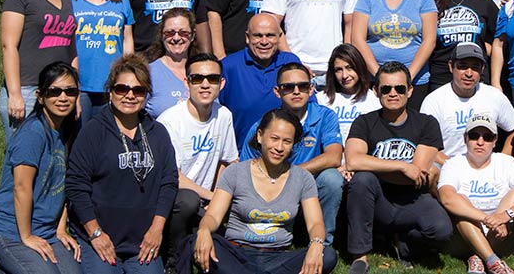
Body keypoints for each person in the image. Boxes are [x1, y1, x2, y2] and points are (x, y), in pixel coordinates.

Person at [187, 109, 338, 274]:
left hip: (277, 258)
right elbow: (213, 216)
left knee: (327, 255)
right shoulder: (235, 172)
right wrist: (204, 231)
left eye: (287, 141)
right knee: (195, 241)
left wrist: (316, 244)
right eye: (274, 139)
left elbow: (315, 223)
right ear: (260, 136)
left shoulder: (303, 178)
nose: (279, 147)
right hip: (236, 254)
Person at [66, 54, 178, 274]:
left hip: (142, 243)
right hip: (99, 239)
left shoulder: (158, 133)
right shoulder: (93, 132)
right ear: (110, 91)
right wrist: (95, 233)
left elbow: (168, 182)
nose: (129, 95)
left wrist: (157, 229)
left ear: (147, 94)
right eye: (121, 89)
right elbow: (76, 186)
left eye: (138, 90)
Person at [0, 62, 81, 274]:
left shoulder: (67, 129)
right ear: (40, 97)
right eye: (54, 92)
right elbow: (21, 187)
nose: (63, 98)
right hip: (11, 230)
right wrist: (27, 236)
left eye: (70, 91)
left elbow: (64, 184)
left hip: (46, 229)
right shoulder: (33, 134)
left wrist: (60, 228)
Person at [344, 62, 452, 274]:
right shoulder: (364, 122)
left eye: (400, 88)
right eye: (386, 89)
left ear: (410, 91)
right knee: (362, 180)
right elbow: (353, 161)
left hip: (413, 198)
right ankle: (360, 257)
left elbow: (417, 174)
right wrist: (401, 166)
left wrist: (377, 167)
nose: (393, 93)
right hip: (378, 199)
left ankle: (403, 241)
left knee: (442, 231)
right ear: (376, 91)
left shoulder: (426, 123)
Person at [238, 63, 345, 244]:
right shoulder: (261, 126)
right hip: (271, 190)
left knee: (332, 179)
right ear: (277, 92)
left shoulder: (326, 116)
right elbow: (244, 170)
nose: (296, 91)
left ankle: (321, 243)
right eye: (288, 87)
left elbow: (334, 157)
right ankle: (264, 236)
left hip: (308, 187)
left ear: (311, 89)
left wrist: (292, 175)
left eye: (302, 86)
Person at [154, 53, 238, 270]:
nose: (204, 85)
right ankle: (172, 257)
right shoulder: (170, 120)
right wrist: (213, 196)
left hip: (206, 198)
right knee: (188, 200)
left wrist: (218, 195)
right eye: (197, 78)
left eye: (212, 79)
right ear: (186, 82)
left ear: (222, 83)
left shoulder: (224, 115)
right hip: (174, 198)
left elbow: (227, 161)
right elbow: (173, 176)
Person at [0, 0, 77, 141]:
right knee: (22, 159)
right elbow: (9, 46)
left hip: (59, 91)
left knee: (55, 158)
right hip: (27, 90)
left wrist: (73, 91)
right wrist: (15, 94)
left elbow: (72, 51)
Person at [438, 114, 514, 274]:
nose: (480, 142)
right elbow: (447, 198)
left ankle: (477, 257)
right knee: (461, 204)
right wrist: (485, 219)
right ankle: (493, 261)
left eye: (488, 137)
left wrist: (504, 217)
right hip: (466, 233)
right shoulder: (453, 164)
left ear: (495, 140)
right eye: (474, 136)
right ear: (465, 138)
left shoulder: (506, 162)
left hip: (501, 234)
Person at [351, 0, 437, 109]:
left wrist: (408, 77)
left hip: (415, 81)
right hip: (375, 81)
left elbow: (429, 41)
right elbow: (357, 39)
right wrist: (379, 75)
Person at [66, 0, 134, 125]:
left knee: (108, 141)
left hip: (112, 85)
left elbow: (127, 41)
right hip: (79, 85)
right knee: (79, 143)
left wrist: (127, 78)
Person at [219, 14, 304, 147]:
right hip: (242, 153)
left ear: (279, 37)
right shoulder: (228, 66)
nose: (264, 41)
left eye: (270, 35)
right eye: (258, 36)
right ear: (247, 38)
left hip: (285, 152)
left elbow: (309, 108)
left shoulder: (290, 62)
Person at [422, 43, 514, 158]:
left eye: (475, 67)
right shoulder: (434, 101)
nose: (469, 73)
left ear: (482, 69)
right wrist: (454, 167)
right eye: (462, 66)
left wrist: (502, 158)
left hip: (485, 168)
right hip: (447, 166)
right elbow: (426, 146)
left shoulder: (494, 96)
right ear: (451, 66)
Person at [429, 0, 499, 90]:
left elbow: (498, 39)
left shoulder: (484, 2)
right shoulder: (432, 2)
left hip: (475, 75)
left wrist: (485, 49)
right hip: (441, 76)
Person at [319, 44, 382, 149]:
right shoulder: (321, 99)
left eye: (349, 68)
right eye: (338, 70)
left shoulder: (374, 100)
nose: (344, 75)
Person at [143, 8, 195, 118]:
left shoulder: (203, 71)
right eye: (169, 33)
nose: (176, 38)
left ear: (193, 35)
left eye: (183, 33)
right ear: (162, 35)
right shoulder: (148, 73)